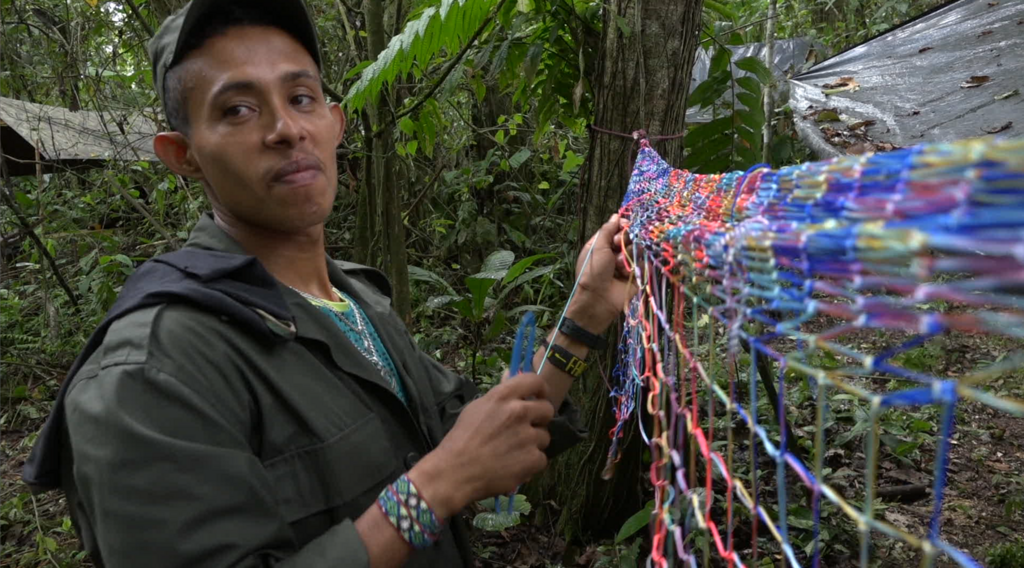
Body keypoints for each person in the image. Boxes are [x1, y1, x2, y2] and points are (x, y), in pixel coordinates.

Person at [21, 0, 635, 566]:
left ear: (336, 124)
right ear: (182, 154)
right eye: (238, 109)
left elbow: (483, 441)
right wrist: (435, 487)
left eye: (302, 98)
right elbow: (454, 469)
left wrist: (584, 317)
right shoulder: (151, 369)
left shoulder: (356, 300)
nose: (287, 129)